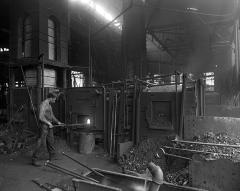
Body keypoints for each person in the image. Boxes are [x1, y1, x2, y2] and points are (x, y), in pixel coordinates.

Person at [32, 92, 64, 166]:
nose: (55, 101)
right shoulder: (44, 104)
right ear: (51, 98)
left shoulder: (49, 104)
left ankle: (52, 156)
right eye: (54, 99)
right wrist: (48, 123)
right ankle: (35, 159)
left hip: (49, 125)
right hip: (44, 126)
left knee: (51, 141)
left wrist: (58, 122)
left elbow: (51, 115)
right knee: (42, 143)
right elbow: (41, 117)